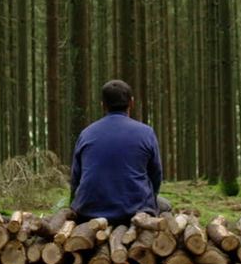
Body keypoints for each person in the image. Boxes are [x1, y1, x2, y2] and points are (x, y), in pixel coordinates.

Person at [69, 80, 169, 225]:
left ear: (103, 105)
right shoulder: (146, 133)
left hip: (89, 213)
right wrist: (149, 200)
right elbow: (156, 175)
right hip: (134, 213)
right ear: (131, 103)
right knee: (165, 205)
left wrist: (75, 205)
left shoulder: (86, 133)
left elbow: (75, 179)